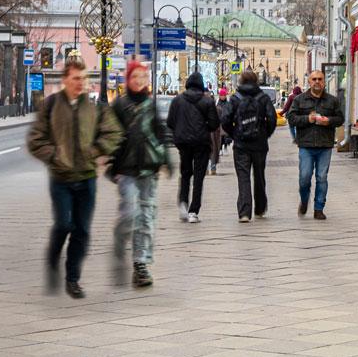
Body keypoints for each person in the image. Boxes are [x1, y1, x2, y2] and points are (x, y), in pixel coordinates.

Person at [25, 59, 122, 299]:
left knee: (82, 230)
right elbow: (35, 139)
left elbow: (114, 132)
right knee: (63, 225)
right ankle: (53, 257)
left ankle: (72, 279)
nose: (81, 83)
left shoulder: (95, 108)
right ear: (65, 80)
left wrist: (97, 150)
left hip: (87, 177)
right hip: (61, 177)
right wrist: (54, 155)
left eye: (84, 79)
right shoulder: (51, 105)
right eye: (76, 78)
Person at [109, 60, 172, 288]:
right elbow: (109, 136)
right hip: (126, 169)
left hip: (148, 169)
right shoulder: (119, 105)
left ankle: (141, 265)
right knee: (131, 214)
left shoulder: (150, 105)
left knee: (146, 217)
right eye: (135, 76)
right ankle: (121, 237)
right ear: (128, 79)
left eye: (143, 77)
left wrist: (166, 160)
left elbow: (160, 133)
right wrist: (111, 165)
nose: (139, 81)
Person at [286, 69, 343, 219]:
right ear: (309, 81)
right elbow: (291, 118)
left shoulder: (332, 100)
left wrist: (328, 121)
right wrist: (308, 119)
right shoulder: (299, 100)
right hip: (306, 145)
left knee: (322, 177)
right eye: (314, 79)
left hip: (325, 145)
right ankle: (304, 200)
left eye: (320, 79)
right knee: (304, 177)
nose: (317, 82)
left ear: (324, 82)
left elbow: (340, 119)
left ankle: (319, 208)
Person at [222, 69, 278, 222]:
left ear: (240, 81)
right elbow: (272, 119)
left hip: (241, 145)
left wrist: (235, 134)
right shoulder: (263, 98)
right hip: (259, 144)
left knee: (243, 177)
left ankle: (244, 213)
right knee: (259, 176)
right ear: (256, 81)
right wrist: (265, 134)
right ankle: (260, 208)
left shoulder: (235, 98)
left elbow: (225, 119)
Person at [167, 72, 222, 222]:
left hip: (183, 143)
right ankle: (193, 211)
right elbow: (214, 124)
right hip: (201, 143)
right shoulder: (207, 101)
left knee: (185, 173)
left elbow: (170, 122)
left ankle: (183, 204)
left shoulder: (177, 100)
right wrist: (203, 128)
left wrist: (181, 129)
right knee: (199, 177)